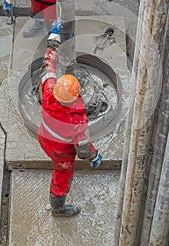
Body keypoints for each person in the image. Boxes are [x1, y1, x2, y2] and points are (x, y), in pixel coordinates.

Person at [38, 19, 102, 217]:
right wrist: (94, 155)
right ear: (76, 96)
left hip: (44, 138)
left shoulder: (48, 90)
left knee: (56, 162)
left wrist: (54, 37)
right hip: (61, 152)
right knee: (62, 177)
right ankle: (58, 208)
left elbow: (48, 63)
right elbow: (82, 148)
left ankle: (58, 203)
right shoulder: (77, 120)